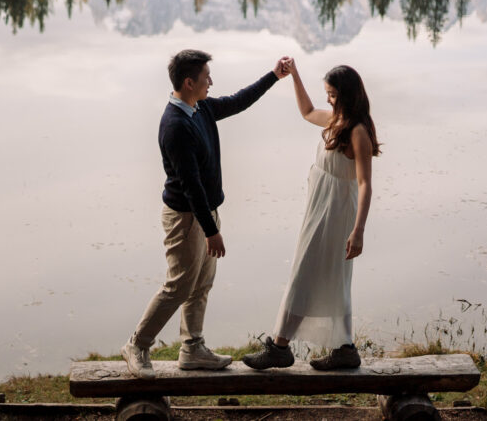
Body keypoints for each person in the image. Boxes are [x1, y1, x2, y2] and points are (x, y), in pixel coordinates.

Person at [121, 50, 290, 378]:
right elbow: (191, 186)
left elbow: (239, 101)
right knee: (179, 285)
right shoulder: (176, 126)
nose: (211, 81)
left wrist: (274, 76)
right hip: (186, 218)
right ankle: (137, 344)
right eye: (205, 77)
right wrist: (212, 230)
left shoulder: (201, 108)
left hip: (204, 212)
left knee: (201, 283)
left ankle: (192, 348)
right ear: (188, 82)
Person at [243, 60, 380, 371]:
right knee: (326, 275)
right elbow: (306, 112)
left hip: (336, 211)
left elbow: (365, 184)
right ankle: (344, 348)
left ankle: (280, 347)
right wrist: (295, 76)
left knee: (309, 273)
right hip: (319, 206)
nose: (328, 99)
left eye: (332, 94)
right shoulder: (335, 119)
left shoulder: (357, 131)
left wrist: (358, 231)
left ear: (346, 94)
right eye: (327, 94)